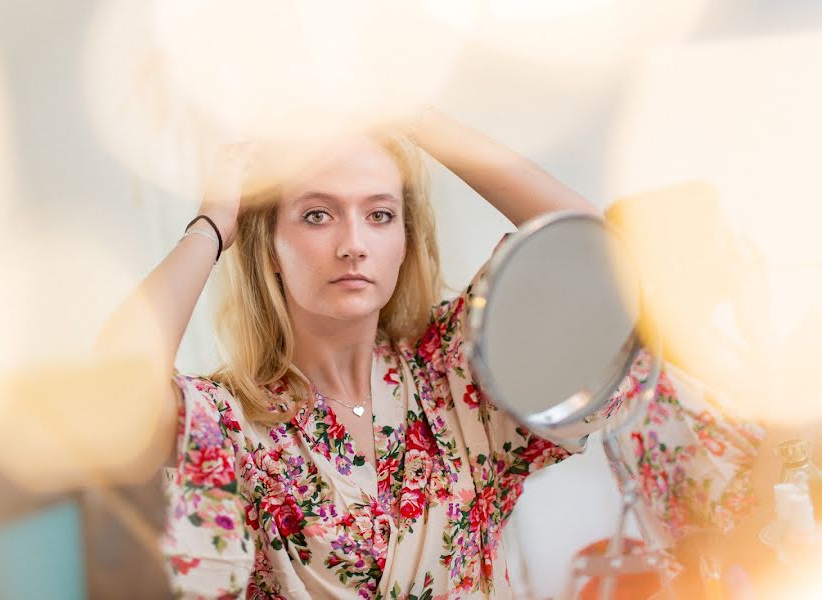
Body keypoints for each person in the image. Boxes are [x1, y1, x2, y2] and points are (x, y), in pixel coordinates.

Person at [96, 108, 761, 599]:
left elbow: (599, 258)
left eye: (379, 215)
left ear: (405, 241)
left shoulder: (455, 373)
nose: (353, 243)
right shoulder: (234, 423)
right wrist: (214, 225)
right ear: (270, 245)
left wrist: (416, 113)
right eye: (318, 216)